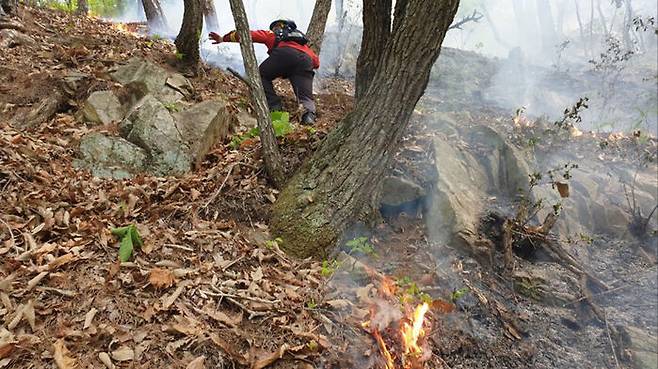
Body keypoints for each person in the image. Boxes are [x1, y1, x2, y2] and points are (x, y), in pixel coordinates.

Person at [209, 19, 319, 125]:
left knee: (259, 76)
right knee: (305, 97)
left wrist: (223, 38)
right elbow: (316, 63)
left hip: (285, 54)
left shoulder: (273, 35)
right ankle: (308, 117)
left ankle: (275, 107)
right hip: (306, 60)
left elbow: (247, 35)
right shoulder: (303, 45)